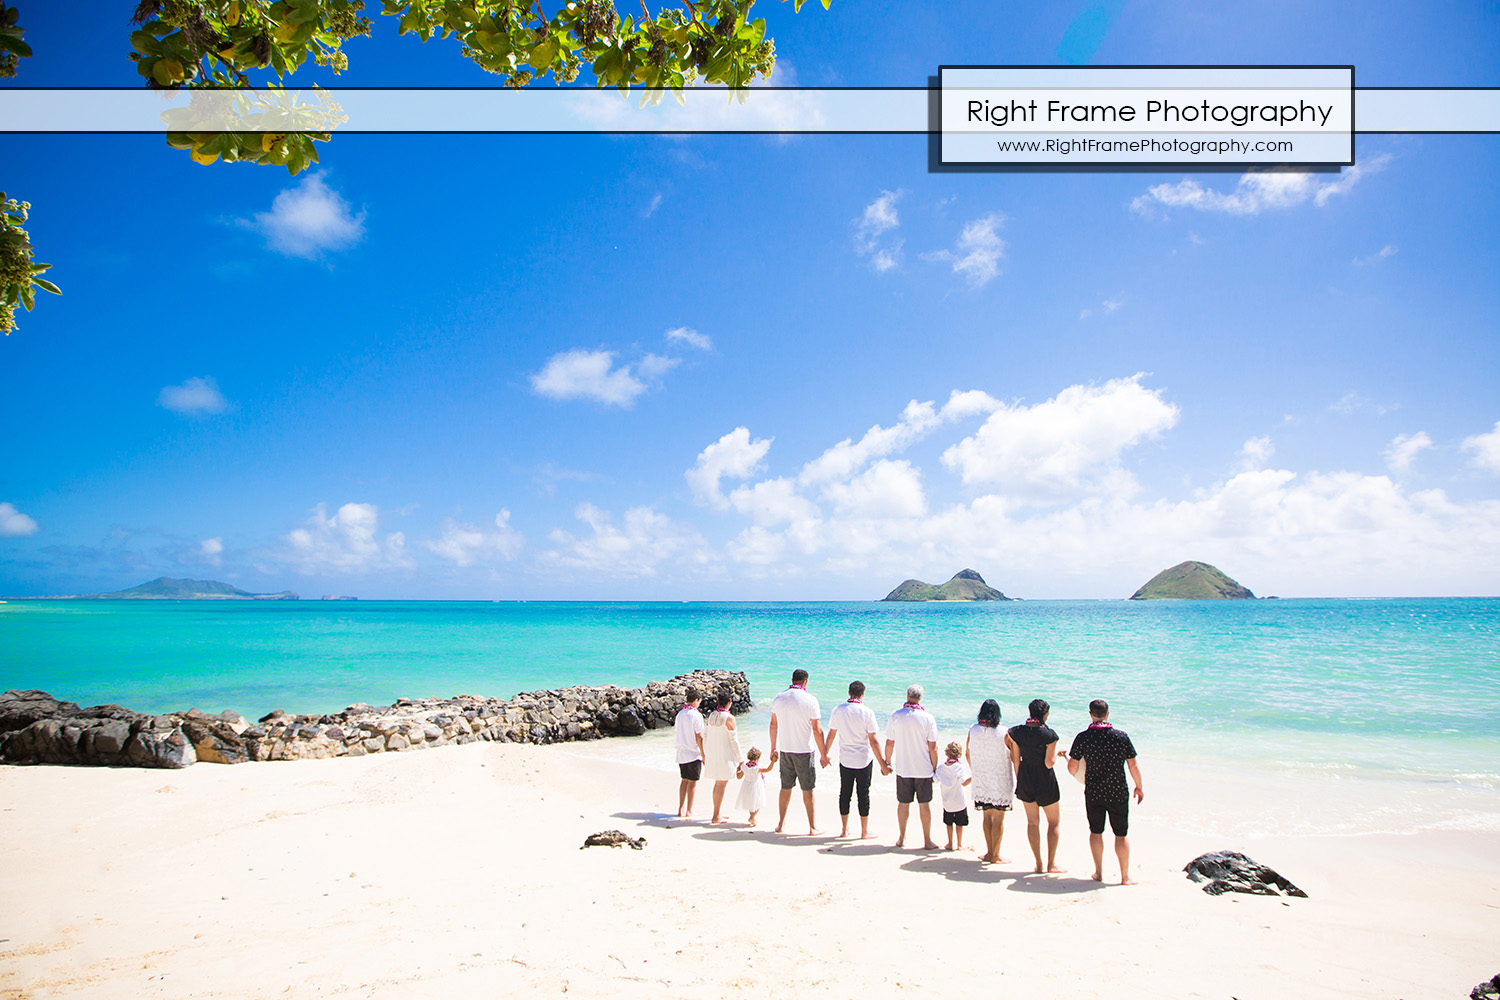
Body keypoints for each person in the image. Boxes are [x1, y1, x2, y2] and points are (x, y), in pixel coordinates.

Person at [1066, 699, 1144, 885]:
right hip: (1118, 790)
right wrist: (1139, 786)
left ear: (1091, 714)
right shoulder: (1121, 737)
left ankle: (1099, 873)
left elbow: (1072, 768)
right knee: (1121, 834)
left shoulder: (1083, 737)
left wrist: (1071, 762)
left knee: (1096, 831)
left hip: (1094, 790)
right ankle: (1125, 876)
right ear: (1107, 714)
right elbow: (1132, 765)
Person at [824, 680, 891, 839]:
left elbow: (831, 734)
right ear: (863, 694)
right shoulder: (867, 712)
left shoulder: (838, 710)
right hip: (863, 760)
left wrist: (824, 754)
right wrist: (883, 764)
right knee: (863, 794)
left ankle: (844, 829)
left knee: (845, 793)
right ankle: (864, 831)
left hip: (845, 759)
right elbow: (873, 741)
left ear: (849, 693)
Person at [1009, 697, 1065, 873]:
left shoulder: (1016, 732)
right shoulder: (1050, 735)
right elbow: (1049, 763)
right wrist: (1058, 754)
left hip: (1025, 777)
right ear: (1045, 714)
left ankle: (1038, 863)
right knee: (1054, 822)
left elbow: (1015, 759)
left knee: (1032, 823)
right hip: (1045, 779)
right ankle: (1051, 864)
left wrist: (1020, 779)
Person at [768, 668, 827, 835]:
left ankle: (780, 824)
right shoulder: (810, 700)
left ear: (793, 680)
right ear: (805, 682)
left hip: (785, 749)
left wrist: (773, 747)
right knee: (807, 789)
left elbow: (773, 725)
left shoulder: (779, 698)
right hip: (804, 751)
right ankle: (813, 827)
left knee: (785, 788)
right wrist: (823, 754)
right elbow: (817, 730)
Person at [884, 683, 940, 850]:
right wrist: (935, 768)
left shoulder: (896, 716)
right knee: (924, 805)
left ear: (907, 695)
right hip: (923, 769)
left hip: (903, 767)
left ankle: (902, 838)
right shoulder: (928, 718)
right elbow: (933, 747)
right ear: (920, 698)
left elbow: (889, 743)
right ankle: (927, 840)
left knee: (903, 804)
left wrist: (887, 762)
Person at [967, 698, 1015, 864]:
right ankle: (995, 855)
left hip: (982, 778)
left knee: (987, 817)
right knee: (999, 819)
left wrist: (976, 769)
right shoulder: (1004, 732)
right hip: (1000, 778)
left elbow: (967, 752)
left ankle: (988, 852)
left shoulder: (973, 730)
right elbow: (1013, 755)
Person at [702, 689, 743, 825]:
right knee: (721, 784)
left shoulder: (712, 716)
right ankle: (716, 815)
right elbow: (734, 741)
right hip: (725, 755)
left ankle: (717, 813)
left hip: (714, 754)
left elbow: (705, 736)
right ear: (729, 702)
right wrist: (740, 759)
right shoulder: (729, 718)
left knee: (718, 784)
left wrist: (706, 753)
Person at [673, 687, 706, 819]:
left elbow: (677, 730)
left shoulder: (680, 714)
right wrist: (703, 754)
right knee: (692, 782)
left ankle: (681, 808)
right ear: (696, 700)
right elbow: (700, 736)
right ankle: (689, 810)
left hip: (681, 752)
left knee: (684, 780)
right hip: (693, 753)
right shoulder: (696, 715)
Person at [935, 741, 972, 851]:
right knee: (959, 824)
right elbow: (964, 783)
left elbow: (934, 780)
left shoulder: (941, 768)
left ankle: (950, 843)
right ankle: (959, 844)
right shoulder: (959, 768)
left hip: (947, 803)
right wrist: (974, 777)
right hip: (959, 802)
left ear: (946, 753)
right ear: (959, 754)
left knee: (949, 823)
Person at [735, 746, 774, 825]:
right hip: (756, 786)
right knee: (758, 802)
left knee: (751, 802)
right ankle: (752, 817)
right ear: (757, 759)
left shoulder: (744, 767)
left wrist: (737, 770)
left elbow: (739, 777)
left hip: (746, 786)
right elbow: (767, 769)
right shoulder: (757, 768)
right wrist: (773, 762)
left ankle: (752, 817)